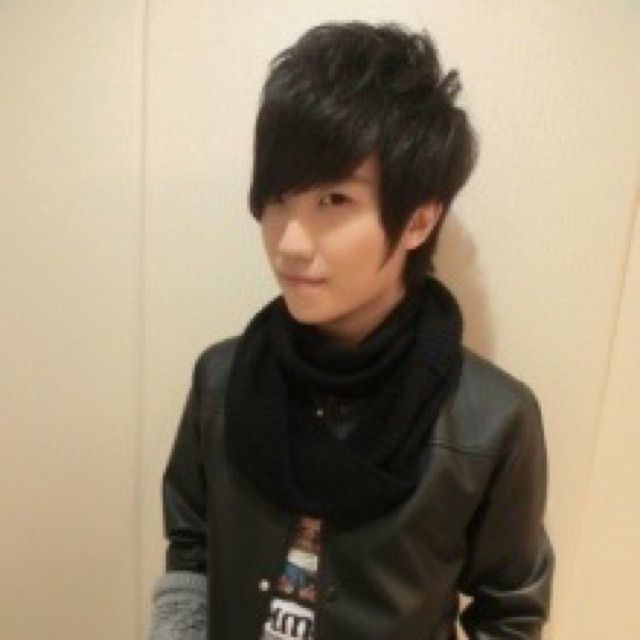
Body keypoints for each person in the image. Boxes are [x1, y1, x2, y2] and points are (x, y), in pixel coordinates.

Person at [149, 20, 555, 640]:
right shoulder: (220, 381)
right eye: (278, 199)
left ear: (419, 221)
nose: (289, 242)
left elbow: (511, 612)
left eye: (333, 202)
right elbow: (191, 547)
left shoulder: (494, 421)